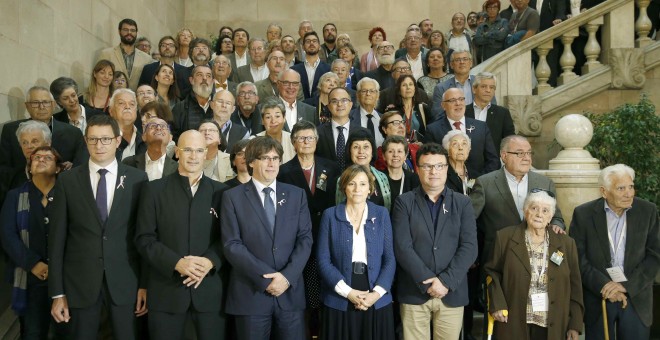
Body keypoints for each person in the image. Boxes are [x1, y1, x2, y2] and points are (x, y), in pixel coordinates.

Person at [49, 114, 148, 339]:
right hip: (79, 285)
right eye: (93, 139)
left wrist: (144, 285)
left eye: (105, 139)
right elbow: (57, 241)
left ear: (117, 140)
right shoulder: (67, 181)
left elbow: (143, 237)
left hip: (126, 284)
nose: (99, 145)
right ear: (85, 141)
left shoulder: (138, 179)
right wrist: (57, 293)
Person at [135, 130, 229, 340]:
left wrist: (210, 261)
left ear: (206, 153)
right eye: (187, 150)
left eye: (198, 151)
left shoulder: (222, 192)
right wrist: (176, 263)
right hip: (166, 293)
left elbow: (229, 239)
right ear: (177, 152)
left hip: (210, 295)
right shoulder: (153, 190)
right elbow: (144, 238)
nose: (193, 156)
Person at [221, 136, 313, 339]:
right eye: (265, 158)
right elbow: (232, 245)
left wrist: (286, 277)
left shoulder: (296, 195)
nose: (271, 163)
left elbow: (305, 240)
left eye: (275, 158)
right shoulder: (232, 197)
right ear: (251, 162)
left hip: (289, 295)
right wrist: (267, 280)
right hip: (251, 295)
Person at [392, 143, 477, 340]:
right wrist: (428, 281)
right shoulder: (404, 202)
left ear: (447, 168)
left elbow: (469, 247)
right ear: (417, 169)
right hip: (415, 291)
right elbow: (402, 247)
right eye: (427, 166)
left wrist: (445, 281)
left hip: (451, 292)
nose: (434, 171)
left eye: (439, 166)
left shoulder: (462, 203)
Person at [570, 164, 660, 340]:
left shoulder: (647, 211)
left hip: (636, 297)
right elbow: (577, 258)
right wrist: (604, 285)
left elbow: (655, 255)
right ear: (604, 191)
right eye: (621, 188)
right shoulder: (583, 214)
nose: (629, 193)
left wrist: (624, 286)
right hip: (599, 297)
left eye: (631, 186)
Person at [484, 190, 583, 340]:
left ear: (551, 216)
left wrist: (574, 325)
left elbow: (575, 285)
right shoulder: (504, 237)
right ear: (525, 210)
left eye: (545, 210)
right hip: (513, 318)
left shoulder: (566, 244)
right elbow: (491, 273)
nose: (539, 214)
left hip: (552, 322)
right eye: (534, 208)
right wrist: (497, 304)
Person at [316, 164, 396, 340]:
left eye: (362, 184)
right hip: (340, 294)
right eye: (351, 184)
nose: (357, 189)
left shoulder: (381, 214)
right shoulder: (330, 215)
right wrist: (348, 293)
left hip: (376, 295)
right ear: (344, 187)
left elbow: (389, 259)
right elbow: (322, 260)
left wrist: (376, 294)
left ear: (370, 189)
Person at [277, 120, 340, 338]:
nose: (306, 142)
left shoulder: (331, 167)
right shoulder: (283, 171)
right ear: (293, 143)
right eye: (301, 138)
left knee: (329, 283)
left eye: (310, 137)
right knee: (306, 286)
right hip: (299, 238)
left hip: (328, 233)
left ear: (317, 141)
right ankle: (307, 329)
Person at [0, 146, 69, 340]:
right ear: (29, 168)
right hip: (30, 279)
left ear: (58, 168)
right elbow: (7, 235)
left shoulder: (70, 194)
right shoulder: (15, 196)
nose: (41, 159)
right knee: (32, 332)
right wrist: (33, 264)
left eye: (48, 157)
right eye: (36, 158)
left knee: (65, 331)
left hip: (65, 278)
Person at [0, 86, 87, 171]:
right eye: (35, 103)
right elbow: (4, 169)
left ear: (53, 105)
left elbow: (81, 166)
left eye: (46, 102)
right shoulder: (11, 130)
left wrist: (71, 169)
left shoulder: (73, 133)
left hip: (62, 183)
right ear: (27, 106)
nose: (41, 107)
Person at [426, 88, 500, 179]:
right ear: (443, 105)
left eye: (461, 99)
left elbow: (493, 160)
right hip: (448, 185)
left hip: (480, 184)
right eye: (452, 100)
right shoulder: (433, 129)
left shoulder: (481, 127)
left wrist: (480, 181)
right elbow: (431, 161)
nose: (458, 103)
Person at [336, 128, 392, 211]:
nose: (361, 151)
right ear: (349, 151)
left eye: (366, 147)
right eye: (356, 147)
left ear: (372, 151)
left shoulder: (383, 178)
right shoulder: (342, 179)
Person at [465, 72, 516, 151]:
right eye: (484, 86)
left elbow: (510, 141)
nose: (488, 90)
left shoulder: (502, 113)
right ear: (474, 89)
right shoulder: (463, 112)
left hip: (494, 161)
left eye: (492, 87)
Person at [97, 18, 153, 90]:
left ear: (136, 33)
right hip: (112, 98)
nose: (129, 32)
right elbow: (99, 79)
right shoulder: (106, 54)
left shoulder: (147, 59)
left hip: (136, 99)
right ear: (119, 31)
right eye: (125, 30)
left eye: (132, 30)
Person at [314, 87, 361, 171]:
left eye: (344, 100)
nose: (339, 104)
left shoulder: (361, 132)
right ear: (328, 106)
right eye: (334, 101)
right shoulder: (317, 132)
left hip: (354, 180)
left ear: (351, 105)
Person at [251, 98, 295, 163]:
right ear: (262, 121)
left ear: (284, 118)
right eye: (268, 117)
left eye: (277, 116)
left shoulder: (293, 140)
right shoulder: (252, 141)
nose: (273, 121)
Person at [392, 74, 434, 142]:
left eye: (411, 84)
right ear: (399, 90)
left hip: (420, 149)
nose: (408, 87)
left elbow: (431, 133)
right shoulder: (393, 111)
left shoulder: (424, 108)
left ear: (414, 88)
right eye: (404, 85)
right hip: (400, 148)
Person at [291, 31, 331, 99]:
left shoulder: (328, 69)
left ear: (319, 46)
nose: (311, 43)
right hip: (300, 107)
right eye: (308, 41)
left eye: (314, 41)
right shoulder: (294, 70)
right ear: (303, 47)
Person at [381, 136, 420, 205]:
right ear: (384, 156)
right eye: (390, 151)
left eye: (399, 151)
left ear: (405, 156)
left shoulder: (414, 179)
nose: (395, 155)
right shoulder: (378, 178)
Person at [443, 130, 473, 195]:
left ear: (469, 150)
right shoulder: (442, 175)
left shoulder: (476, 175)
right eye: (455, 144)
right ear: (447, 150)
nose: (460, 148)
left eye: (464, 144)